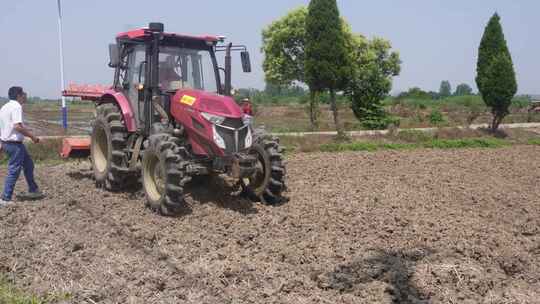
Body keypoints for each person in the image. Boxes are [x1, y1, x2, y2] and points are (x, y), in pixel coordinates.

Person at [0, 86, 44, 207]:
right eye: (23, 93)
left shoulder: (4, 107)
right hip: (14, 145)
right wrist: (32, 137)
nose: (25, 95)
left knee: (29, 165)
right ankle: (5, 198)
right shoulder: (16, 106)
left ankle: (33, 190)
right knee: (14, 170)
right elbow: (17, 127)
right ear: (19, 95)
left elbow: (3, 126)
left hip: (8, 142)